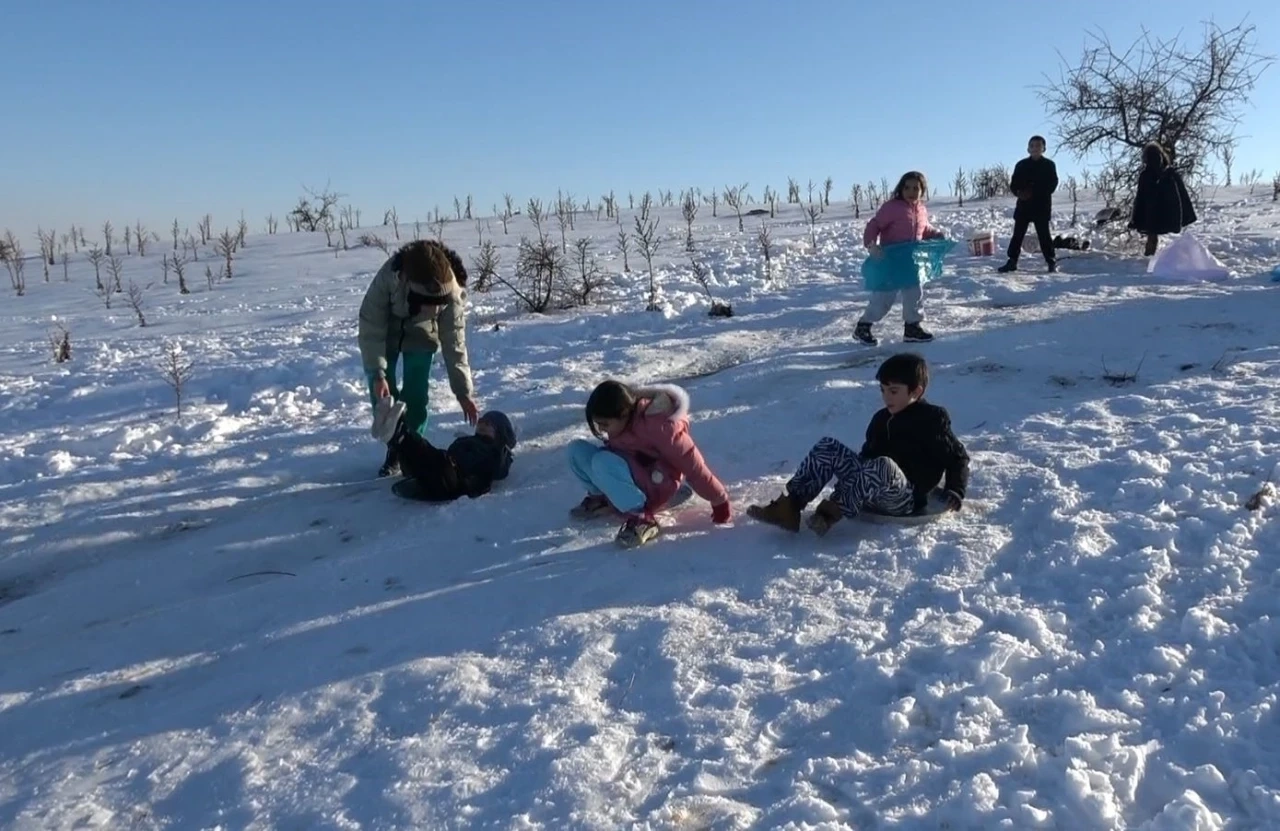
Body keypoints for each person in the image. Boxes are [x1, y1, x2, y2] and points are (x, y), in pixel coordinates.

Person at [746, 353, 969, 537]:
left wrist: (955, 489)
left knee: (883, 465)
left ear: (916, 391)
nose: (886, 397)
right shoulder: (881, 418)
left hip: (905, 497)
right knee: (828, 446)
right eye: (883, 390)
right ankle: (790, 506)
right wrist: (851, 480)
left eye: (893, 391)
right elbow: (866, 457)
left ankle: (830, 513)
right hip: (872, 490)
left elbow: (957, 457)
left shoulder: (932, 419)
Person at [358, 240, 478, 477]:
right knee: (382, 391)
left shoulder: (452, 293)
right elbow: (371, 327)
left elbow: (454, 344)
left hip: (423, 335)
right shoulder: (389, 278)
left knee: (416, 392)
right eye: (426, 302)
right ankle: (394, 441)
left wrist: (463, 392)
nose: (432, 309)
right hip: (386, 332)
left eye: (437, 304)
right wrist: (378, 373)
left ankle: (409, 448)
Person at [567, 380, 732, 548]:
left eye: (605, 424)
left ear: (623, 414)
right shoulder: (624, 421)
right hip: (630, 473)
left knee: (602, 462)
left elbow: (692, 464)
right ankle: (602, 498)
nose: (602, 430)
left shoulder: (660, 426)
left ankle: (642, 518)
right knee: (576, 450)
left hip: (657, 482)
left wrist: (718, 499)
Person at [855, 171, 948, 346]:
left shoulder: (921, 209)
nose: (911, 192)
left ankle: (912, 327)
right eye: (907, 188)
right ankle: (864, 325)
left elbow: (924, 229)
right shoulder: (892, 208)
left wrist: (936, 234)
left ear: (922, 190)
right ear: (900, 188)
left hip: (911, 262)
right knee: (884, 298)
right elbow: (874, 225)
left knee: (915, 294)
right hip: (891, 261)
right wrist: (871, 245)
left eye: (916, 188)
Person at [374, 400, 515, 500]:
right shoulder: (466, 441)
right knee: (422, 459)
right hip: (446, 473)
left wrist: (503, 450)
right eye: (481, 421)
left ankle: (399, 432)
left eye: (488, 423)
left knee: (434, 458)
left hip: (457, 482)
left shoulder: (495, 452)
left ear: (500, 433)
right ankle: (392, 433)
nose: (482, 424)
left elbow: (499, 471)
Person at [998, 136, 1059, 273]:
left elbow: (1052, 184)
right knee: (1017, 235)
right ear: (1028, 149)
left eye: (1038, 146)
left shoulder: (1049, 165)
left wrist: (1036, 192)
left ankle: (1051, 261)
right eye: (1032, 146)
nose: (1035, 148)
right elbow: (1014, 184)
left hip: (1041, 206)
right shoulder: (1021, 165)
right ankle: (1012, 261)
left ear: (1043, 148)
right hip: (1024, 206)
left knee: (1044, 235)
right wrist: (1019, 193)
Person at [1128, 142, 1197, 257]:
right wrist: (1186, 215)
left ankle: (1151, 257)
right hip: (1167, 212)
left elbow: (1140, 198)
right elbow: (1182, 195)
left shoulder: (1148, 174)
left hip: (1151, 212)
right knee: (1154, 235)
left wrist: (1136, 218)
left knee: (1152, 234)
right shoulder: (1169, 173)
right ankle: (1159, 258)